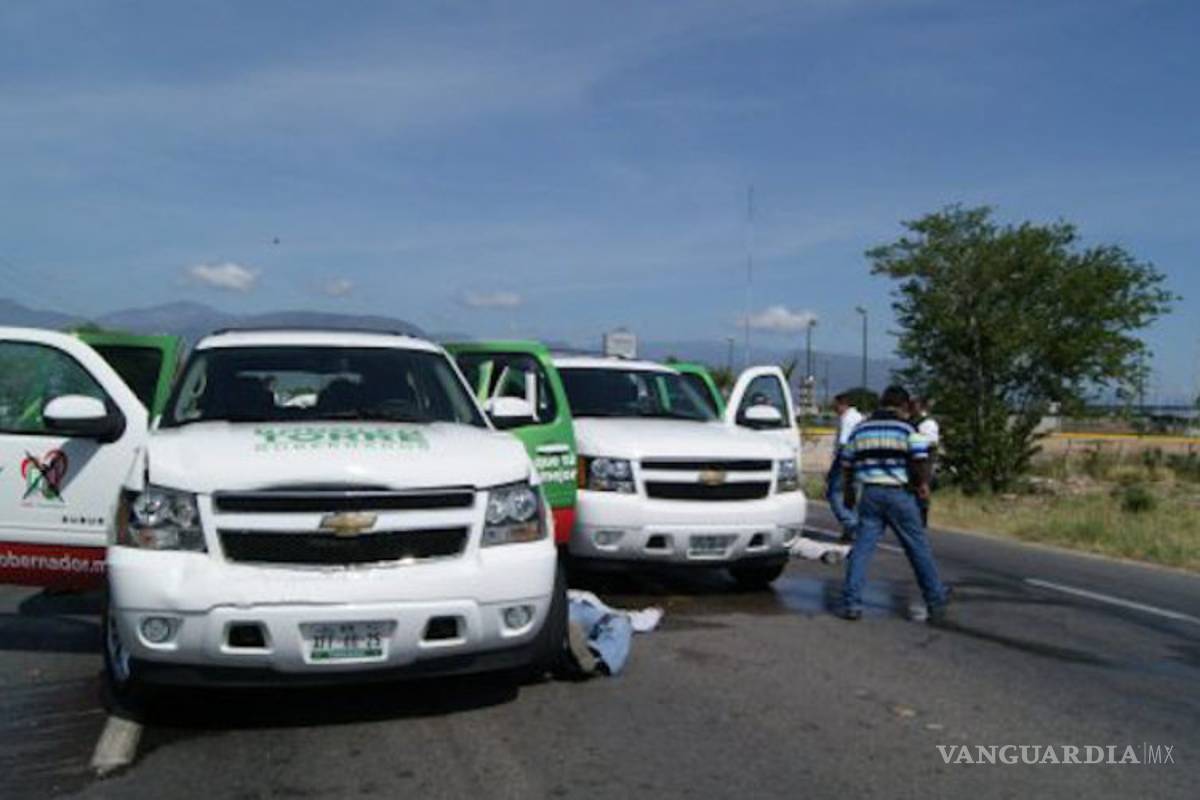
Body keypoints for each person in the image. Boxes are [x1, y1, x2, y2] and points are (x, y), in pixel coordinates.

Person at [838, 385, 951, 623]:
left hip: (870, 495)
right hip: (900, 494)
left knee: (862, 549)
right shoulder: (907, 429)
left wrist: (849, 493)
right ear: (904, 406)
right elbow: (920, 459)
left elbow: (847, 462)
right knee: (917, 547)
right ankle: (935, 599)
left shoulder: (861, 429)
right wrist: (922, 486)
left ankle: (852, 603)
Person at [826, 392, 864, 541]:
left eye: (835, 405)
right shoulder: (859, 417)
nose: (834, 408)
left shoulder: (847, 419)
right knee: (850, 496)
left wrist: (836, 467)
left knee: (834, 493)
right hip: (859, 460)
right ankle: (849, 533)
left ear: (843, 404)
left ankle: (851, 523)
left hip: (846, 460)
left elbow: (844, 444)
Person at [909, 395, 939, 527]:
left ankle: (921, 520)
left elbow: (930, 443)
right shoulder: (912, 421)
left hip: (925, 461)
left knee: (921, 489)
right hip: (913, 459)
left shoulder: (928, 423)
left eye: (914, 404)